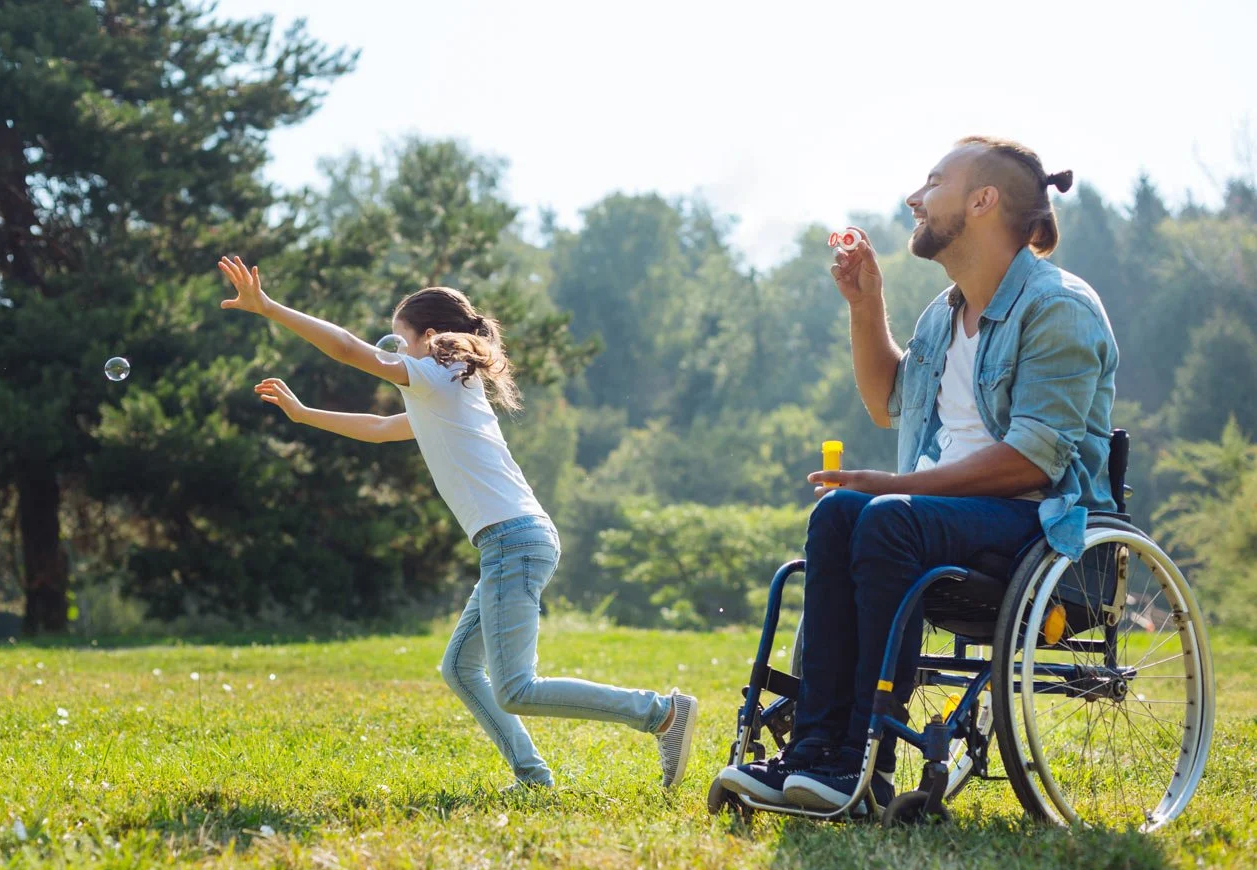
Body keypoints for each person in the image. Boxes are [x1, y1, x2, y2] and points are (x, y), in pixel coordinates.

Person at [719, 136, 1119, 814]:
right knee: (838, 513)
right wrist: (864, 305)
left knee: (883, 514)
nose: (913, 197)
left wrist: (894, 487)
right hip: (937, 521)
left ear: (981, 200)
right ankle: (815, 753)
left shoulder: (1058, 308)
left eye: (932, 182)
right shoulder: (942, 313)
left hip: (1037, 525)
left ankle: (861, 761)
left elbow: (1030, 460)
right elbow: (885, 402)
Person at [216, 256, 698, 790]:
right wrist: (307, 415)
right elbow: (379, 428)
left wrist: (269, 308)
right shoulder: (444, 392)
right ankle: (532, 775)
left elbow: (350, 349)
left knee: (516, 687)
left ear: (426, 337)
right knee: (461, 670)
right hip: (514, 538)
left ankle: (661, 713)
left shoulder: (438, 376)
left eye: (399, 341)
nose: (392, 353)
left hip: (512, 539)